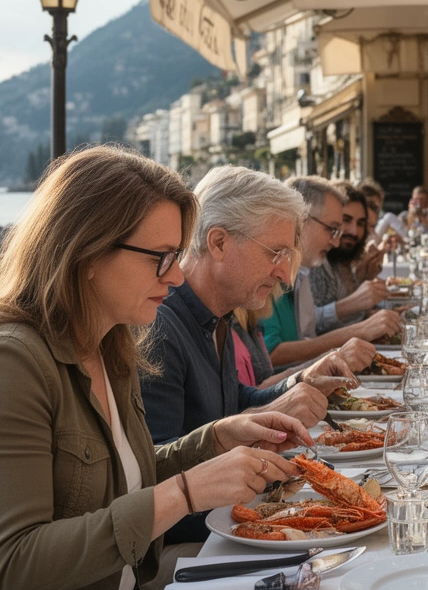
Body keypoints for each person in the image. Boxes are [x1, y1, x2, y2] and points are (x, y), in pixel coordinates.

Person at [0, 147, 314, 590]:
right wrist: (184, 493)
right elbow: (17, 563)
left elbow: (119, 477)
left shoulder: (108, 347)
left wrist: (216, 439)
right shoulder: (4, 365)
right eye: (161, 257)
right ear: (87, 252)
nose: (177, 276)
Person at [142, 167, 358, 447]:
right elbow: (155, 464)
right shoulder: (160, 326)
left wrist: (302, 381)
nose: (283, 273)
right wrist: (265, 413)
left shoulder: (216, 313)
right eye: (274, 253)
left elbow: (233, 402)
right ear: (218, 243)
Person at [261, 177, 403, 369]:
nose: (336, 242)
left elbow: (308, 339)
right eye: (332, 229)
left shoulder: (303, 272)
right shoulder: (270, 275)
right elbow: (271, 355)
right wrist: (359, 330)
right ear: (301, 220)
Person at [310, 184, 387, 330]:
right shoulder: (316, 260)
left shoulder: (342, 259)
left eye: (361, 224)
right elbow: (309, 327)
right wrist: (355, 301)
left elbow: (352, 318)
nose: (354, 231)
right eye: (346, 220)